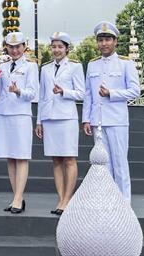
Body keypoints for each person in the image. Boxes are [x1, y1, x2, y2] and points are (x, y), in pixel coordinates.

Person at [82, 21, 140, 201]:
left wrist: (112, 93)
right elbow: (88, 94)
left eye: (108, 39)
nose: (104, 43)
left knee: (120, 164)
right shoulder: (92, 64)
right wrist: (86, 119)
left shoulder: (125, 63)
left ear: (115, 41)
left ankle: (124, 204)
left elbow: (135, 91)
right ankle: (106, 203)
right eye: (100, 40)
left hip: (116, 120)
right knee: (102, 166)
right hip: (97, 121)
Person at [35, 32, 85, 215]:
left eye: (60, 47)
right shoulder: (45, 69)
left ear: (66, 49)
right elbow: (41, 97)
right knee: (56, 160)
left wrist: (64, 91)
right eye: (54, 46)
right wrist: (39, 121)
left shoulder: (75, 67)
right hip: (49, 117)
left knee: (69, 159)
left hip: (66, 117)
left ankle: (67, 199)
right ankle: (61, 198)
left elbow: (82, 93)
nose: (56, 50)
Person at [0, 32, 39, 214]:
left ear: (24, 48)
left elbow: (33, 92)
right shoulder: (2, 66)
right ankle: (16, 197)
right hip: (4, 113)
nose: (14, 50)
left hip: (21, 114)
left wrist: (19, 91)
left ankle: (19, 198)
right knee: (10, 157)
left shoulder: (31, 67)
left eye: (18, 46)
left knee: (21, 156)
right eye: (11, 47)